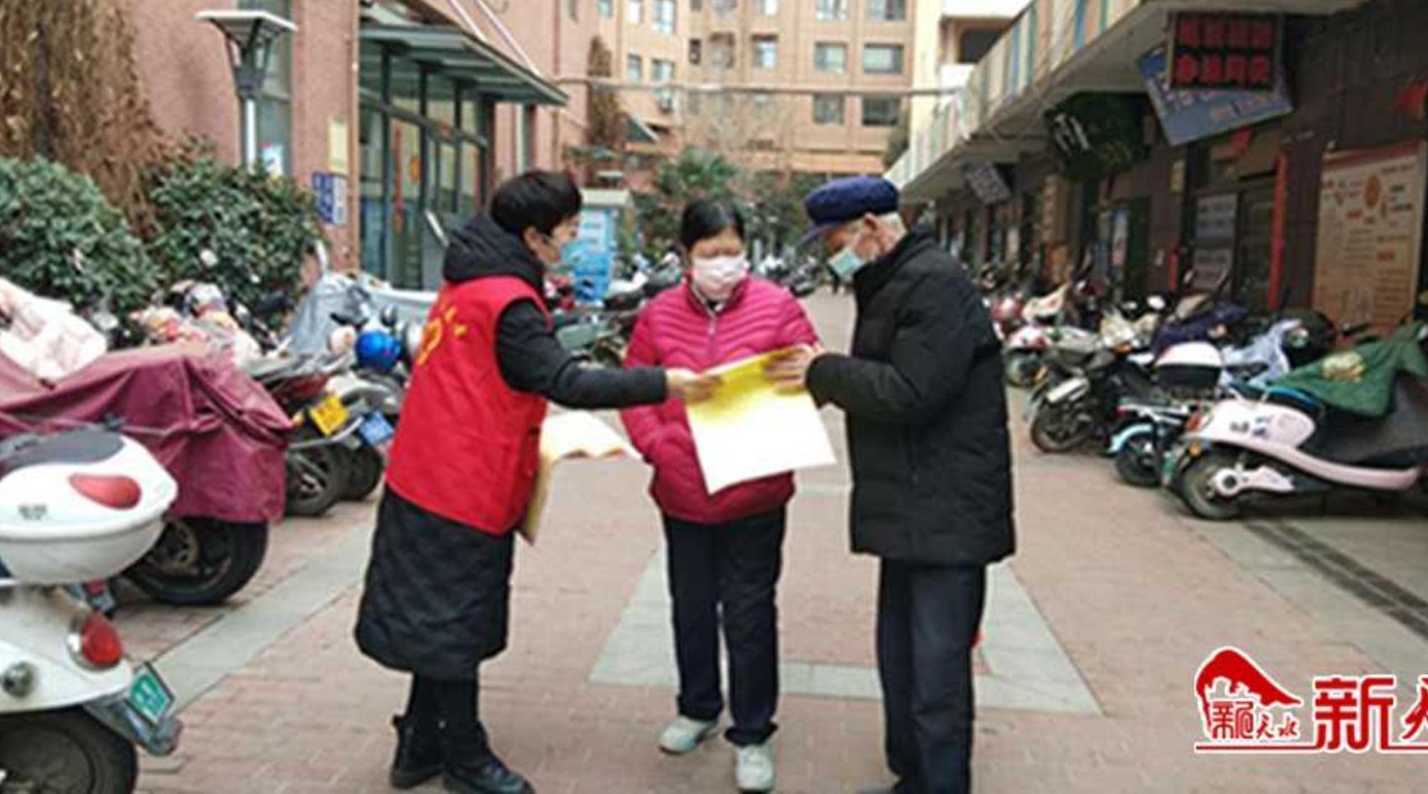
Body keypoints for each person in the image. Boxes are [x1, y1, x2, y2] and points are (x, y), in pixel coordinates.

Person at [354, 170, 718, 794]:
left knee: (435, 618)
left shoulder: (468, 280)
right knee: (457, 622)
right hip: (462, 484)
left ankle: (420, 741)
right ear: (532, 235)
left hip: (425, 470)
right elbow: (566, 381)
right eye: (567, 230)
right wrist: (664, 382)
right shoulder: (509, 303)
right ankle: (466, 758)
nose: (571, 240)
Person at [765, 177, 1015, 794]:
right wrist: (828, 378)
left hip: (946, 512)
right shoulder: (892, 281)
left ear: (874, 227)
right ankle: (913, 778)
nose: (835, 258)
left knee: (936, 673)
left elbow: (911, 392)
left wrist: (826, 372)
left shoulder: (934, 284)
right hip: (909, 505)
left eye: (837, 243)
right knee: (901, 660)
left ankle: (940, 784)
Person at [620, 199, 819, 793]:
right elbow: (634, 385)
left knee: (750, 613)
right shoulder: (658, 314)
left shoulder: (778, 306)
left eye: (733, 251)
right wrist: (657, 443)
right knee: (691, 605)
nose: (724, 263)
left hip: (756, 492)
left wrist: (810, 376)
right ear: (686, 255)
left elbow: (814, 379)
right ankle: (698, 707)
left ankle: (752, 733)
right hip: (682, 490)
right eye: (711, 253)